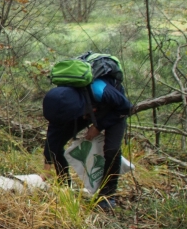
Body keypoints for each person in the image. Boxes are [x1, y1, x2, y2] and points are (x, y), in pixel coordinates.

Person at [43, 78, 131, 211]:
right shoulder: (59, 104)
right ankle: (65, 186)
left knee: (111, 150)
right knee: (57, 145)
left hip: (113, 109)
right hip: (84, 109)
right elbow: (53, 137)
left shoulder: (101, 91)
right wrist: (47, 163)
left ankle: (107, 196)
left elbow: (126, 108)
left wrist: (98, 126)